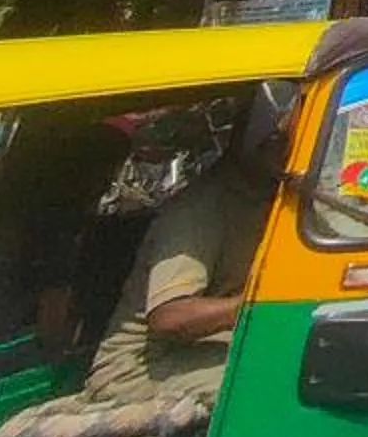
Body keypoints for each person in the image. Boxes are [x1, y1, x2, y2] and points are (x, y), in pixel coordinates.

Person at [77, 85, 293, 407]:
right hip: (137, 369)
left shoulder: (275, 201)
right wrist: (259, 303)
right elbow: (170, 317)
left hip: (211, 350)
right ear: (266, 141)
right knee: (277, 382)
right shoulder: (202, 207)